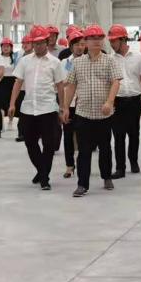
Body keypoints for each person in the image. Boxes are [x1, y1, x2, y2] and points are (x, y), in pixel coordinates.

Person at [62, 24, 122, 197]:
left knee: (105, 148)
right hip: (83, 113)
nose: (96, 41)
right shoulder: (77, 63)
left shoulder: (110, 60)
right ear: (86, 41)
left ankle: (106, 176)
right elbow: (71, 86)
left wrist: (109, 102)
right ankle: (82, 184)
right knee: (84, 151)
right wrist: (65, 107)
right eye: (92, 38)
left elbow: (116, 82)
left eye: (99, 38)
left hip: (104, 114)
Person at [9, 25, 66, 191]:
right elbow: (18, 82)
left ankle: (44, 177)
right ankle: (42, 172)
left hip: (48, 108)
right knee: (30, 142)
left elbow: (60, 85)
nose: (38, 46)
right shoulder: (25, 61)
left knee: (49, 144)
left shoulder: (55, 62)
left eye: (41, 43)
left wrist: (62, 107)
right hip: (28, 108)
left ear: (47, 42)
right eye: (35, 43)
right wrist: (12, 103)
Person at [109, 24, 141, 178]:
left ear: (123, 39)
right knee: (118, 135)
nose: (111, 44)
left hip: (134, 100)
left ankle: (133, 161)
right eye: (110, 41)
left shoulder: (139, 57)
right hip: (117, 101)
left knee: (134, 133)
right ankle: (120, 168)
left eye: (114, 41)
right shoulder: (110, 59)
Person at [61, 28, 85, 177]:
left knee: (83, 137)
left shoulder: (89, 61)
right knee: (68, 136)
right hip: (69, 104)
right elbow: (61, 82)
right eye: (76, 45)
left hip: (84, 104)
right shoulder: (65, 63)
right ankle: (69, 165)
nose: (80, 47)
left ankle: (82, 164)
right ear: (71, 46)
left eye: (82, 44)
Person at [0, 37, 19, 133]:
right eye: (4, 46)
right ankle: (1, 124)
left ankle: (10, 121)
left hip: (12, 81)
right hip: (1, 82)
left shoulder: (15, 58)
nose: (5, 48)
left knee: (12, 102)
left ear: (11, 48)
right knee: (1, 103)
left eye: (7, 46)